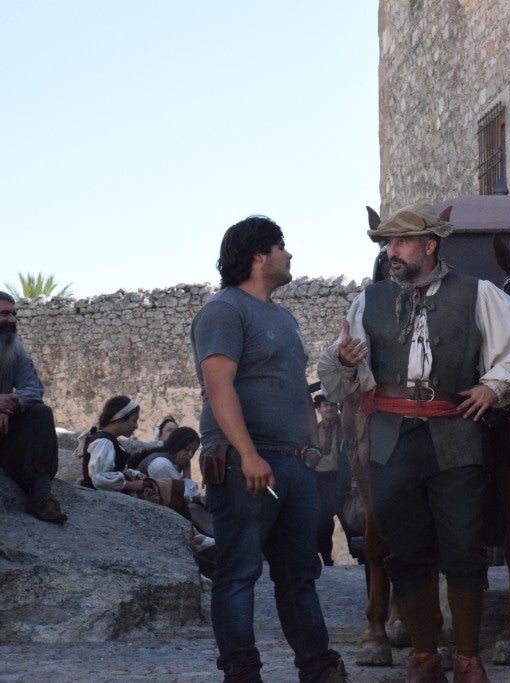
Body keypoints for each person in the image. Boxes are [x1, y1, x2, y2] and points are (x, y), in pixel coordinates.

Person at [318, 203, 510, 683]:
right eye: (386, 244)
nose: (390, 253)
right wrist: (343, 359)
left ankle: (466, 656)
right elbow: (340, 378)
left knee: (463, 547)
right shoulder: (368, 301)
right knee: (406, 549)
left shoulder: (476, 294)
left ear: (429, 246)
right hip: (390, 440)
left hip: (455, 432)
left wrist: (494, 385)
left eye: (400, 243)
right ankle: (423, 655)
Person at [190, 215, 346, 683]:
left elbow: (296, 386)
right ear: (259, 255)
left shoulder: (283, 317)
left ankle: (317, 669)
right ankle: (241, 673)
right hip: (245, 464)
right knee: (238, 573)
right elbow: (219, 386)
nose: (290, 254)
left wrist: (313, 448)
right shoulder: (223, 310)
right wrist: (248, 453)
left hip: (294, 463)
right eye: (282, 246)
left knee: (300, 576)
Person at [0, 291, 67, 524]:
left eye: (14, 314)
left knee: (41, 414)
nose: (12, 320)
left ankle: (40, 496)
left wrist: (10, 403)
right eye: (4, 314)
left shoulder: (13, 349)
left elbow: (34, 389)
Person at [79, 395, 190, 517]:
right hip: (100, 496)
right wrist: (130, 485)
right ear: (120, 419)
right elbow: (99, 478)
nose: (136, 426)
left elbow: (115, 469)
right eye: (134, 420)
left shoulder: (109, 441)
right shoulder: (104, 442)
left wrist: (134, 474)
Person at [309, 394, 353, 565]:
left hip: (341, 480)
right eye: (325, 405)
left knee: (348, 520)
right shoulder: (313, 431)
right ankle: (326, 558)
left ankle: (360, 555)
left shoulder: (345, 429)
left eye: (332, 406)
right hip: (320, 481)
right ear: (319, 409)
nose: (329, 409)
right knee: (322, 522)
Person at [135, 426, 203, 504]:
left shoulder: (172, 462)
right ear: (176, 445)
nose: (190, 455)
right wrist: (187, 472)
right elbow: (185, 496)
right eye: (187, 449)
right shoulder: (161, 464)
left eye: (193, 451)